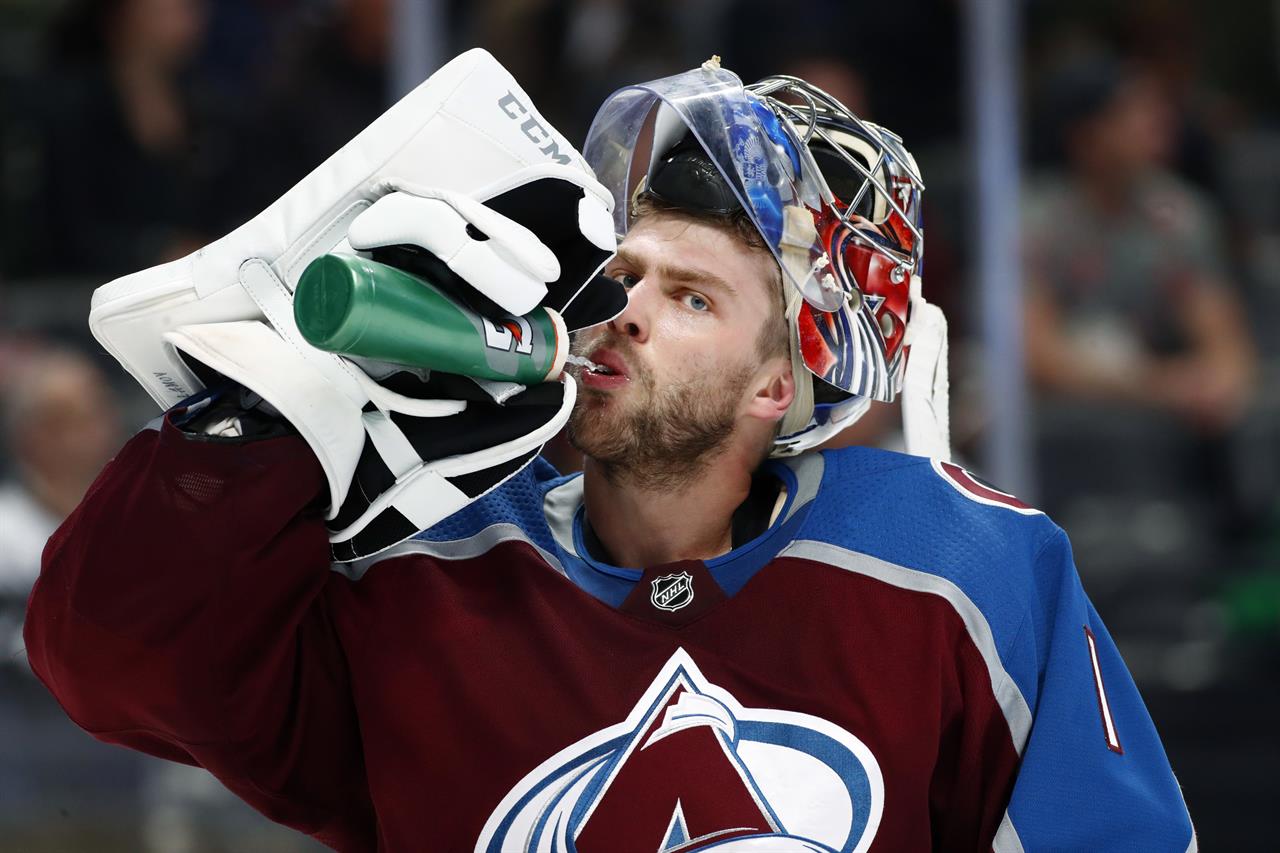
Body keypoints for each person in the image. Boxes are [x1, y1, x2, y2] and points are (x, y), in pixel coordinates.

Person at [25, 58, 1195, 851]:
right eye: (622, 276)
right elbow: (107, 663)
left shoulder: (960, 564)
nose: (625, 310)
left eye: (691, 298)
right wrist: (275, 414)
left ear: (776, 384)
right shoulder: (428, 569)